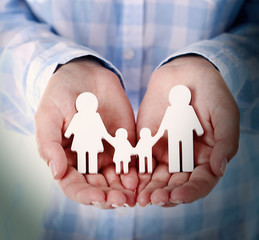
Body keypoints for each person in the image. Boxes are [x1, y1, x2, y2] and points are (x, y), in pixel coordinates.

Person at [0, 0, 258, 239]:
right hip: (47, 212)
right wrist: (48, 74)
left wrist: (223, 70)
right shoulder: (89, 119)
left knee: (181, 155)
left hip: (219, 217)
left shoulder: (183, 111)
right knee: (95, 160)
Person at [155, 85, 204, 173]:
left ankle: (187, 166)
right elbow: (165, 122)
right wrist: (160, 132)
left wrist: (199, 130)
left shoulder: (189, 109)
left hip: (185, 133)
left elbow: (194, 120)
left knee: (187, 148)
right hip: (175, 134)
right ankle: (174, 166)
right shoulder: (170, 110)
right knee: (174, 149)